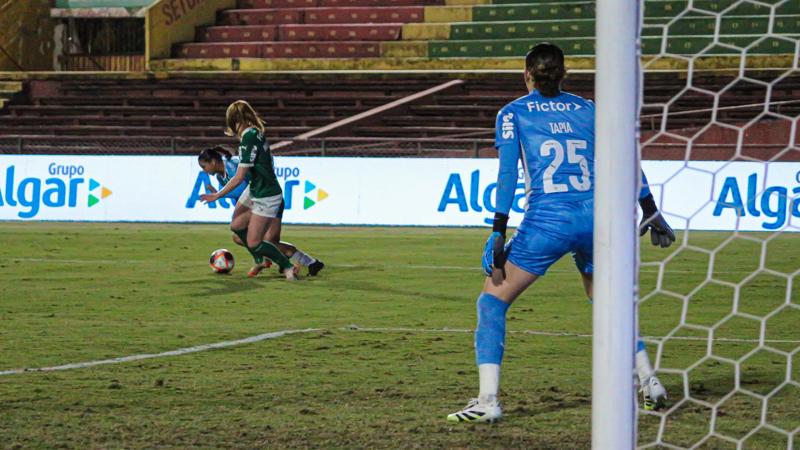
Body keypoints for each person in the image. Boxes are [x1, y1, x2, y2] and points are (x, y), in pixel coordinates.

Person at [447, 43, 675, 423]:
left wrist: (498, 230)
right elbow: (625, 158)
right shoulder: (589, 110)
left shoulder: (513, 113)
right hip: (597, 218)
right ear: (565, 73)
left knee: (491, 301)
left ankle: (487, 400)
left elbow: (507, 174)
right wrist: (649, 209)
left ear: (527, 75)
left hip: (548, 222)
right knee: (607, 302)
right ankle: (649, 380)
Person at [199, 100, 324, 281]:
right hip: (256, 189)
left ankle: (293, 265)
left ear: (234, 120)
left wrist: (218, 194)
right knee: (237, 228)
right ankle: (265, 259)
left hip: (266, 194)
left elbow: (240, 176)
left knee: (261, 242)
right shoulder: (252, 136)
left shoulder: (248, 140)